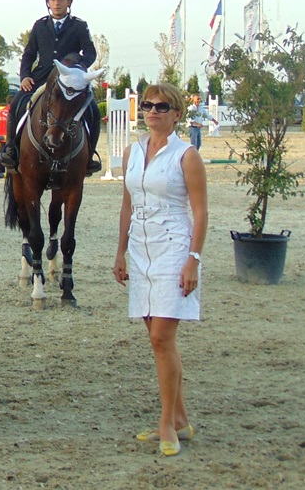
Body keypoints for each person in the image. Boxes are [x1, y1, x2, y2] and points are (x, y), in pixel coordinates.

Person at [112, 83, 208, 457]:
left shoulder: (187, 155)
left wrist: (193, 259)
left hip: (173, 247)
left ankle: (166, 422)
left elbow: (200, 211)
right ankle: (180, 418)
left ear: (176, 114)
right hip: (141, 248)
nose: (153, 111)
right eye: (148, 105)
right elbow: (127, 204)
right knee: (156, 338)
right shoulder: (132, 152)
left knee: (162, 338)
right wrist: (120, 252)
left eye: (162, 106)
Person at [0, 0, 102, 175]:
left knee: (93, 111)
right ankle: (11, 148)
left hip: (69, 80)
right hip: (41, 77)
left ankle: (90, 156)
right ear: (48, 2)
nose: (56, 3)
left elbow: (90, 52)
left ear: (68, 2)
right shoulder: (40, 25)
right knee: (17, 104)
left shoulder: (79, 26)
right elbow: (29, 54)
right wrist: (25, 76)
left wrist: (78, 68)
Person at [0, 94, 13, 175]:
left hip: (0, 134)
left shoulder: (1, 111)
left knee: (1, 153)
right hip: (8, 134)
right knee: (9, 153)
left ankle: (1, 170)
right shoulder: (11, 111)